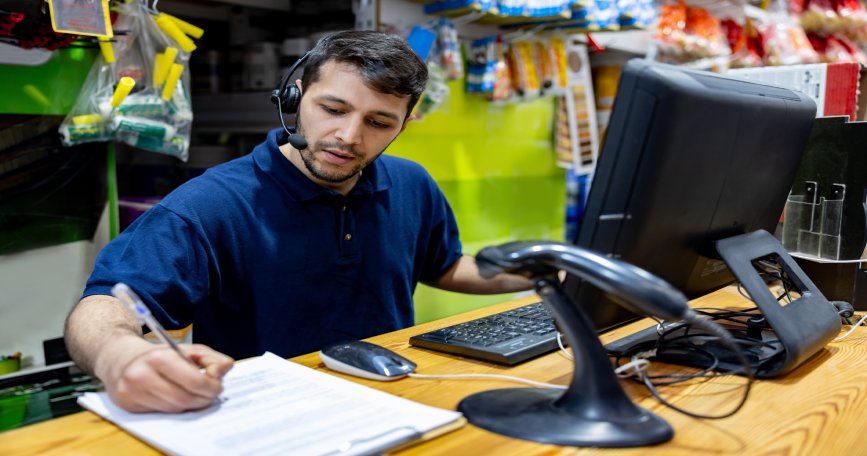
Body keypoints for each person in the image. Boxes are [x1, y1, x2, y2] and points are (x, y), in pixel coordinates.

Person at [64, 30, 533, 414]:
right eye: (333, 109)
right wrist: (122, 357)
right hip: (268, 418)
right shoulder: (210, 204)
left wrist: (551, 274)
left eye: (379, 122)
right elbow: (103, 307)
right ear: (294, 96)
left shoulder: (411, 183)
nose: (349, 137)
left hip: (394, 402)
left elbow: (445, 265)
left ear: (404, 125)